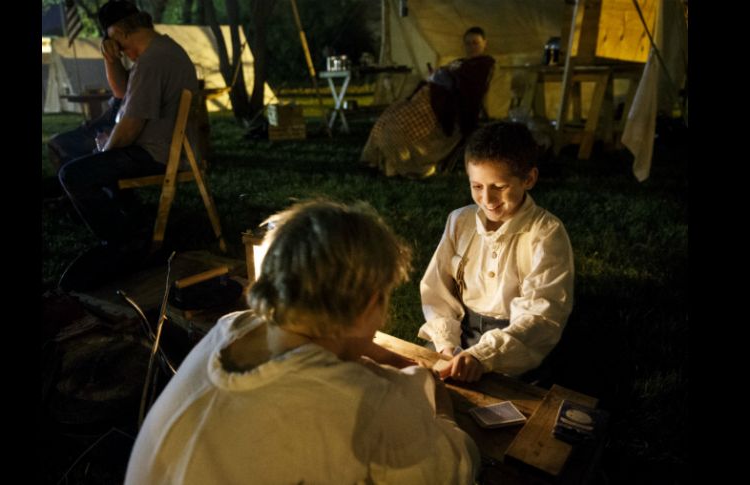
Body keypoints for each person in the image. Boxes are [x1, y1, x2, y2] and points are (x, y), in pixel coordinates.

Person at [124, 200, 480, 484]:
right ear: (369, 303)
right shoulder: (360, 403)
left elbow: (334, 352)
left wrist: (390, 358)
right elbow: (455, 468)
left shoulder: (233, 327)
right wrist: (441, 406)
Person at [57, 0, 198, 290]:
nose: (121, 53)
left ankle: (122, 244)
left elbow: (131, 128)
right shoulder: (160, 51)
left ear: (120, 32)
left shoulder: (152, 61)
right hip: (161, 147)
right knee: (92, 164)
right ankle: (133, 230)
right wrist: (112, 61)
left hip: (156, 153)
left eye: (118, 45)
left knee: (74, 174)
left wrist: (104, 150)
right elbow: (125, 95)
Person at [419, 121, 574, 382]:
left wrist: (484, 356)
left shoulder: (545, 233)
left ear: (529, 179)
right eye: (477, 187)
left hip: (516, 340)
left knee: (505, 405)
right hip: (462, 331)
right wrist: (447, 345)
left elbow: (542, 314)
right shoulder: (460, 221)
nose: (488, 200)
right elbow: (437, 290)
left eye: (499, 187)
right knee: (426, 385)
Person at [361, 26, 495, 178]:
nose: (471, 47)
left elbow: (468, 91)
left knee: (401, 126)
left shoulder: (483, 65)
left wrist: (446, 78)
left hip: (438, 107)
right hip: (425, 98)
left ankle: (397, 164)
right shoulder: (459, 62)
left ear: (484, 43)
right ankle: (376, 161)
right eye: (468, 43)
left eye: (475, 43)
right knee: (391, 114)